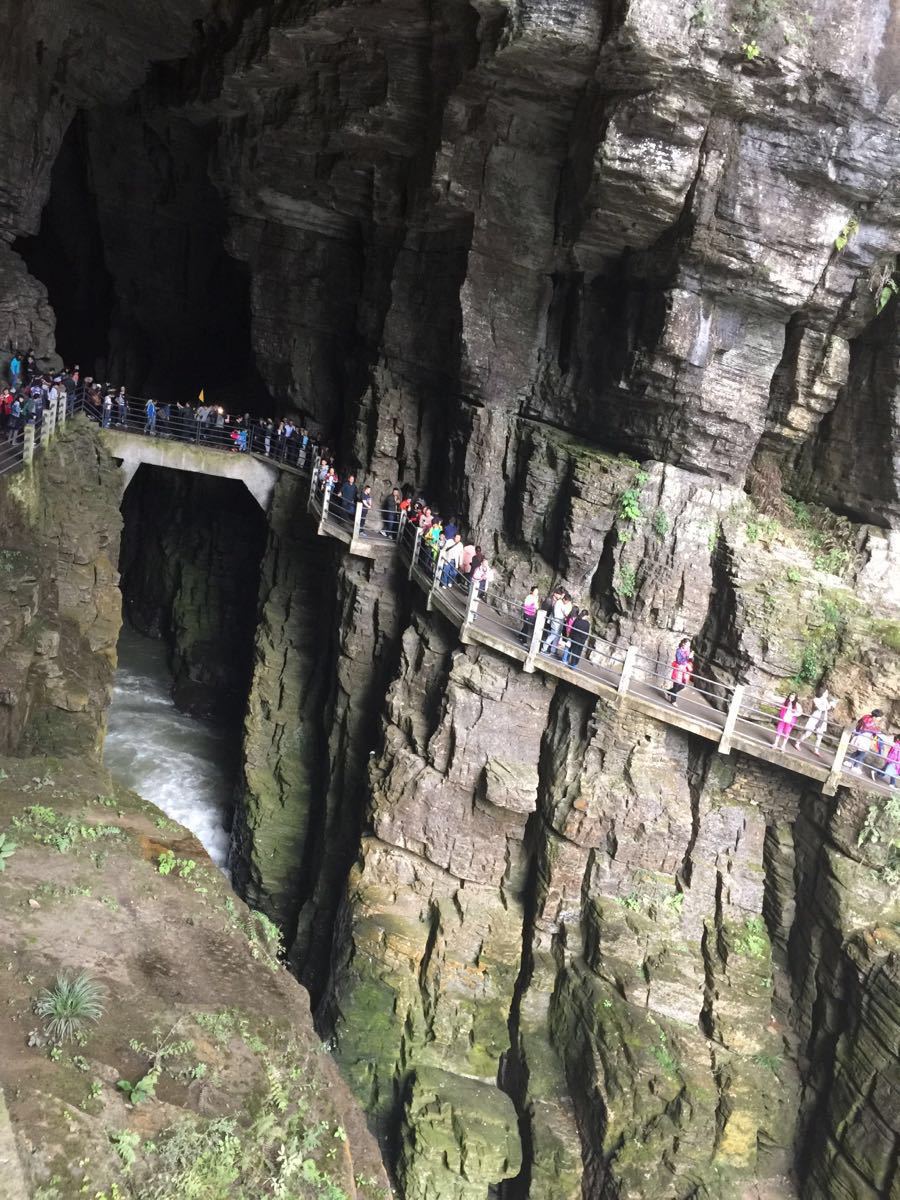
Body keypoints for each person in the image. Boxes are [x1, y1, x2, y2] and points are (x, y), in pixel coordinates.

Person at [794, 689, 836, 756]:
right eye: (826, 692)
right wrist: (828, 706)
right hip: (815, 719)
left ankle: (816, 750)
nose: (827, 693)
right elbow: (820, 708)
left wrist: (832, 706)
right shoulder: (816, 699)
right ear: (822, 693)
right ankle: (797, 743)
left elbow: (828, 709)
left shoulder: (826, 701)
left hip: (822, 720)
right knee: (807, 733)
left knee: (820, 736)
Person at [847, 709, 884, 773]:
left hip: (862, 736)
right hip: (863, 737)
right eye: (879, 718)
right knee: (862, 753)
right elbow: (868, 728)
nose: (879, 719)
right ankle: (855, 766)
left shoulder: (867, 717)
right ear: (875, 717)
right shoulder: (869, 721)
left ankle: (849, 762)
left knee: (859, 752)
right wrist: (877, 731)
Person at [667, 638, 694, 704]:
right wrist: (688, 657)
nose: (688, 646)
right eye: (687, 645)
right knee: (676, 685)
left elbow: (689, 660)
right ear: (683, 644)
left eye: (689, 645)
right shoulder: (679, 651)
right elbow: (679, 661)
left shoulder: (688, 650)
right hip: (678, 669)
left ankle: (669, 692)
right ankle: (673, 701)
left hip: (684, 671)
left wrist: (691, 657)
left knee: (682, 686)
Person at [542, 590, 567, 656]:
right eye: (562, 595)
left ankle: (547, 649)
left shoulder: (560, 602)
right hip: (554, 621)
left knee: (552, 636)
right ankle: (544, 649)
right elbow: (556, 614)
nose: (562, 596)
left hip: (555, 621)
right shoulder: (557, 602)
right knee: (551, 636)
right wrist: (563, 616)